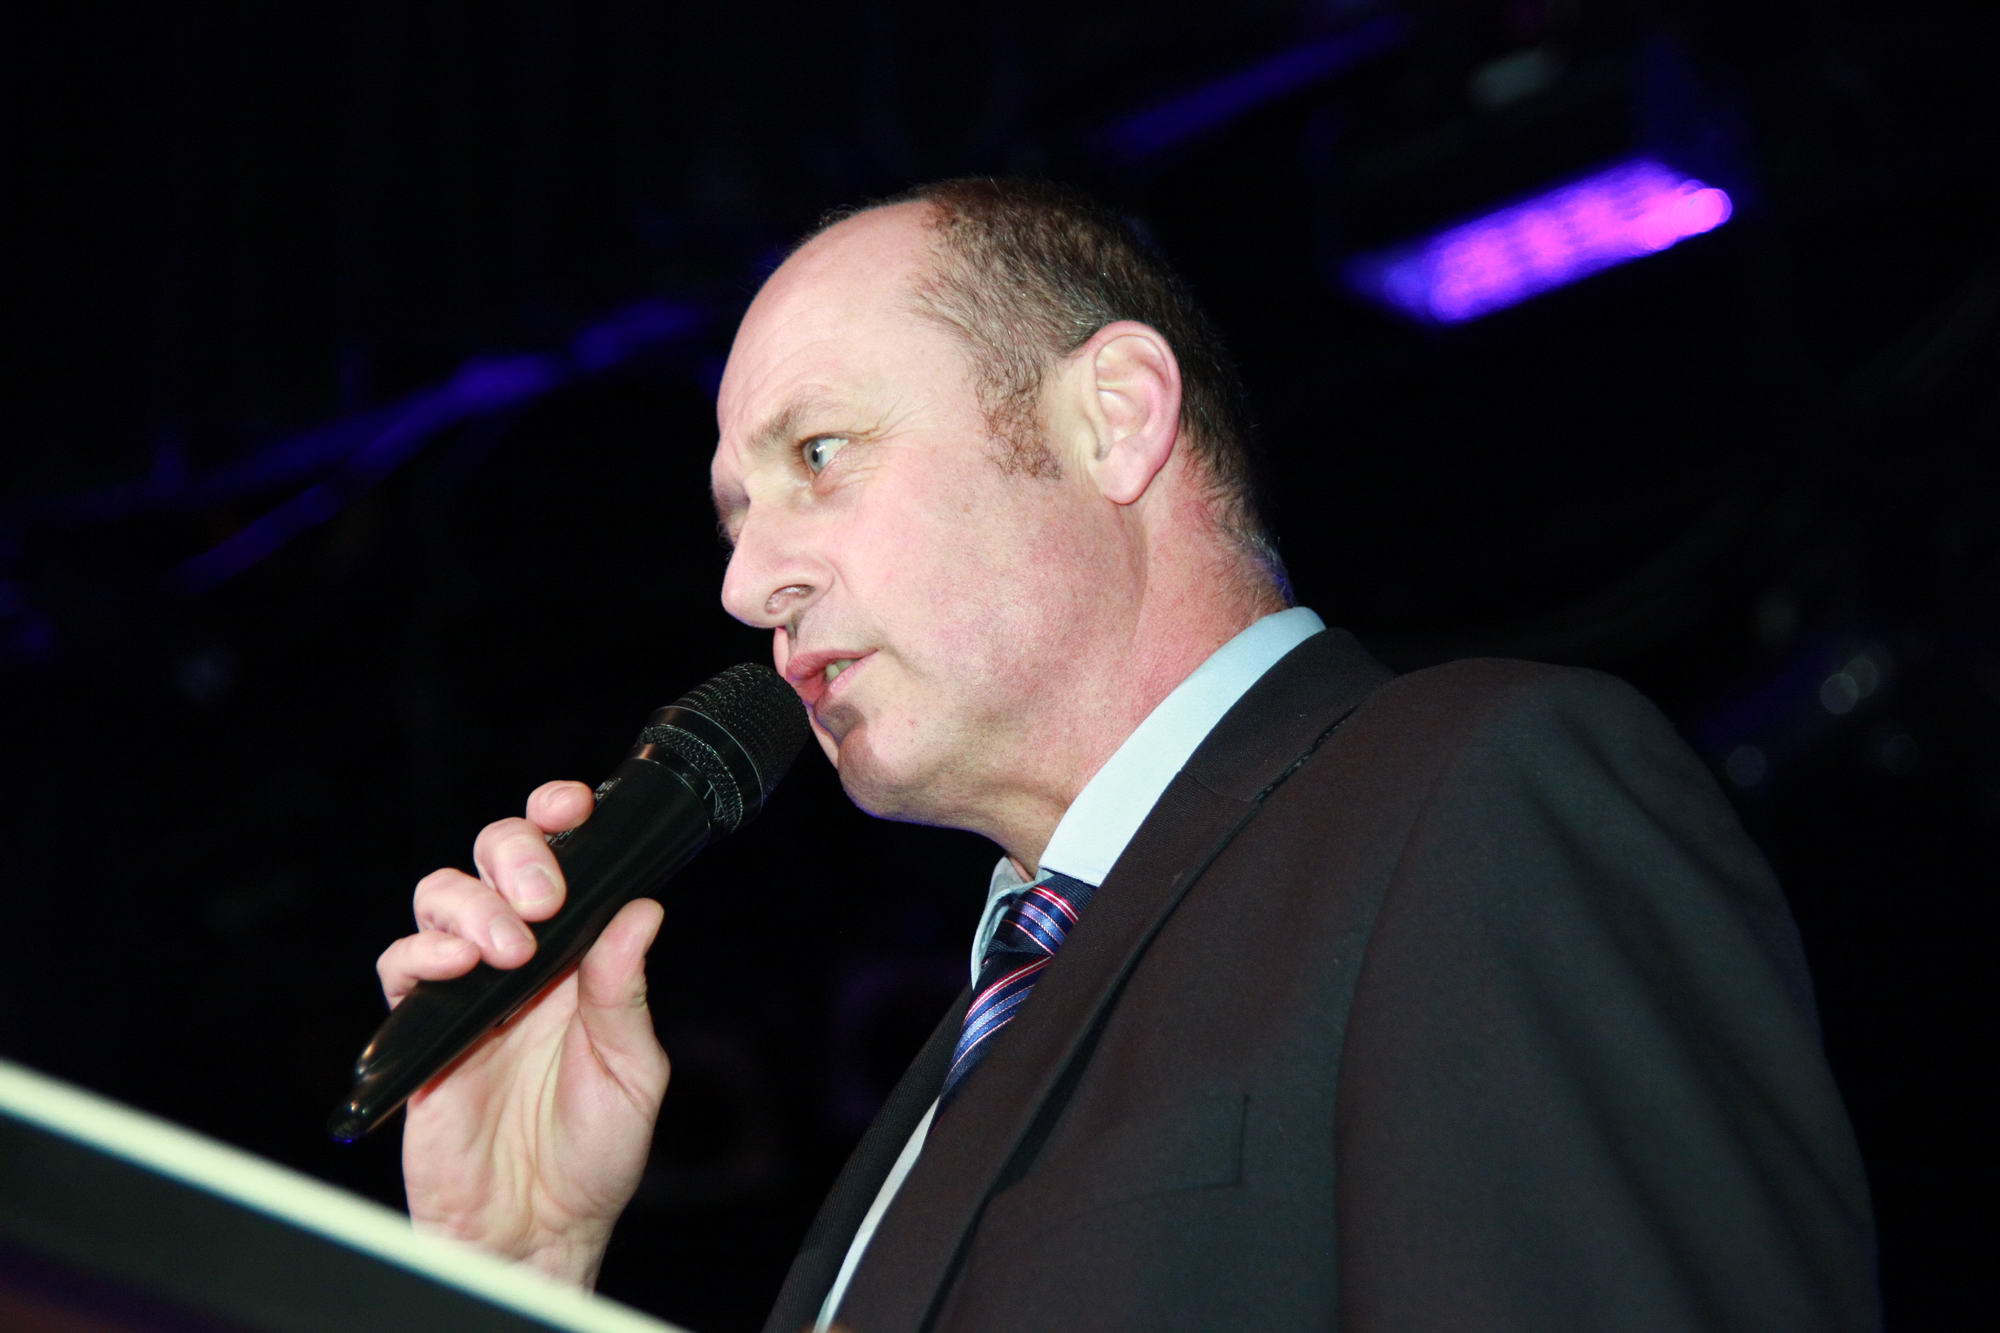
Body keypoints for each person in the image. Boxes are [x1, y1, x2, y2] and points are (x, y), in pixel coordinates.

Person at [375, 179, 1879, 1330]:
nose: (747, 581)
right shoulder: (976, 1046)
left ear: (1116, 419)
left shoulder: (1474, 797)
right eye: (733, 516)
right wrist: (519, 1275)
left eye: (817, 457)